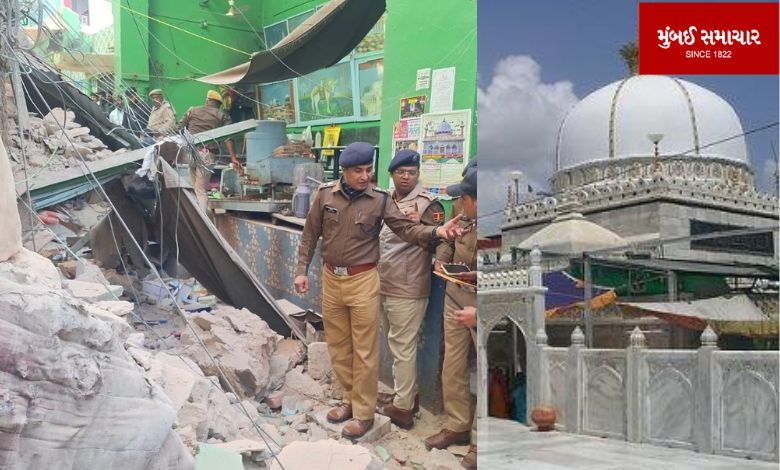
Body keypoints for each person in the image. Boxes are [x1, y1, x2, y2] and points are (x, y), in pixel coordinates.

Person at [294, 142, 464, 440]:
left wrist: (437, 231)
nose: (364, 176)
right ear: (344, 172)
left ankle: (363, 413)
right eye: (358, 171)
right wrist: (300, 271)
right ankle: (349, 400)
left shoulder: (380, 200)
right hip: (332, 279)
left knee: (365, 350)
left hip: (364, 280)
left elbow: (407, 230)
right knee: (338, 346)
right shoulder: (323, 196)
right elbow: (309, 235)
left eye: (368, 170)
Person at [375, 149, 445, 429]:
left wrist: (423, 227)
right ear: (392, 174)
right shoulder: (385, 199)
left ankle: (403, 409)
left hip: (409, 285)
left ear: (418, 175)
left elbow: (440, 242)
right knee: (396, 345)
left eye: (412, 173)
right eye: (401, 172)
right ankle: (404, 397)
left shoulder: (430, 205)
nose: (406, 177)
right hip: (384, 280)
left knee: (403, 348)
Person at [425, 164, 478, 470]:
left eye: (464, 198)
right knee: (453, 364)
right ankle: (458, 425)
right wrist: (441, 263)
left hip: (482, 302)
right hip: (456, 294)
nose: (460, 204)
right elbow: (448, 238)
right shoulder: (464, 205)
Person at [179, 90, 242, 212]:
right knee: (201, 190)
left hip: (190, 153)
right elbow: (229, 137)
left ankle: (198, 216)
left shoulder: (192, 110)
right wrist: (233, 158)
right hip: (206, 155)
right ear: (219, 104)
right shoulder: (222, 115)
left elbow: (180, 128)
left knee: (196, 188)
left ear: (207, 100)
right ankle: (202, 221)